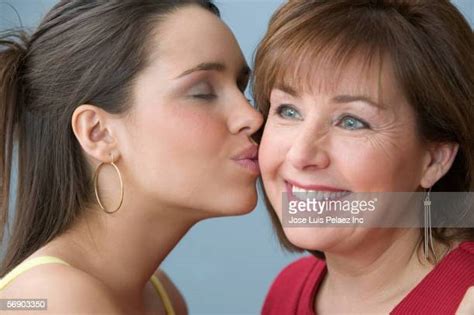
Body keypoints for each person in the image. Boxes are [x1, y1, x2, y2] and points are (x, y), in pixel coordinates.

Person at [0, 0, 263, 314]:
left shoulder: (159, 294)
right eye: (202, 92)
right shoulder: (54, 300)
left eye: (240, 86)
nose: (252, 117)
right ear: (99, 133)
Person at [253, 0, 474, 314]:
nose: (301, 154)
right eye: (288, 111)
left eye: (351, 121)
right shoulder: (287, 290)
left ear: (435, 159)